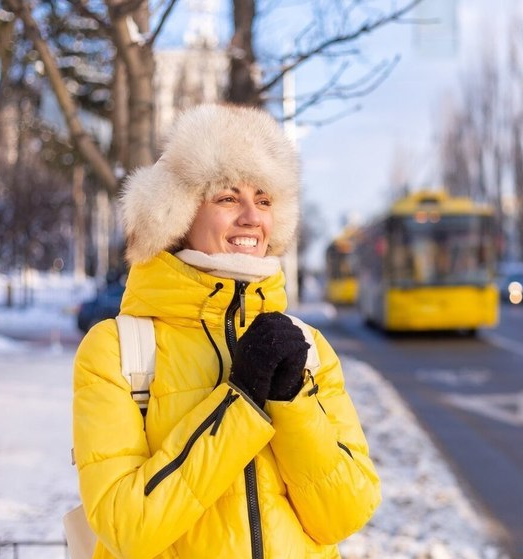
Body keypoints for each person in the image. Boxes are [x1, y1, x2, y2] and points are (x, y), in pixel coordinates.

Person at [72, 103, 381, 559]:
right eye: (227, 197)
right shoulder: (118, 351)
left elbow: (346, 513)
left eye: (264, 199)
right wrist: (241, 402)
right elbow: (126, 527)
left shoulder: (309, 347)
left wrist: (291, 401)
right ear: (178, 215)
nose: (251, 217)